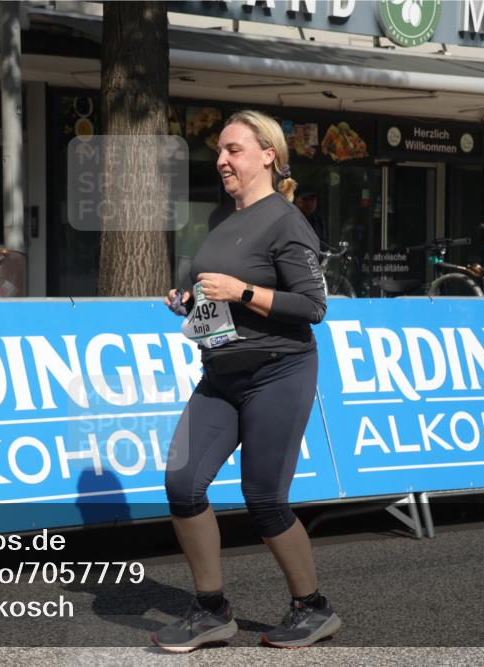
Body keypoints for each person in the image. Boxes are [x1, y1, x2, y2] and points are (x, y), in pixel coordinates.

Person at [153, 110, 340, 652]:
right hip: (221, 372)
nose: (221, 160)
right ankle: (211, 609)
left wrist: (241, 292)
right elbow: (219, 292)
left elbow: (313, 305)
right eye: (219, 151)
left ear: (268, 156)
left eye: (233, 149)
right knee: (181, 483)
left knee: (263, 498)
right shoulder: (222, 219)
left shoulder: (286, 220)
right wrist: (189, 300)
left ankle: (312, 607)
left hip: (278, 372)